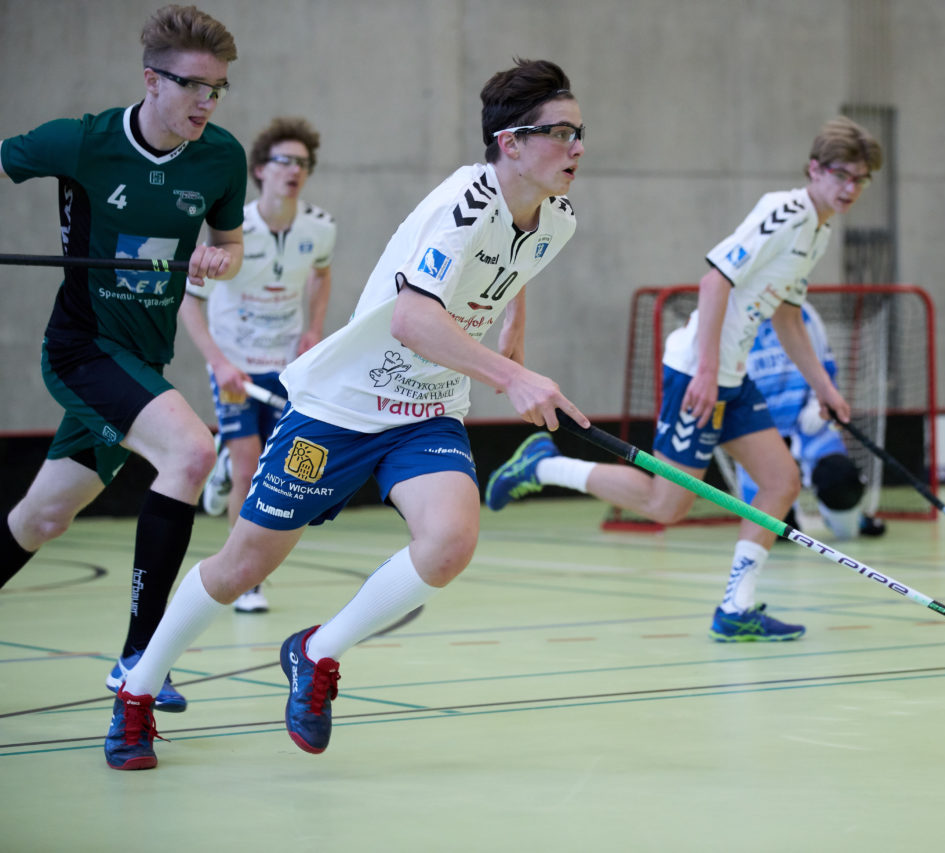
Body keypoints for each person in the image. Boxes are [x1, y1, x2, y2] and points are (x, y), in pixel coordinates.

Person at [103, 58, 588, 770]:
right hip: (338, 413)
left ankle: (315, 650)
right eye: (562, 132)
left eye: (582, 132)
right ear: (510, 143)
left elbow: (516, 267)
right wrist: (513, 374)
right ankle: (137, 690)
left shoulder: (560, 221)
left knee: (449, 541)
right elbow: (414, 322)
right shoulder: (461, 203)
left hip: (427, 412)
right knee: (242, 564)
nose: (578, 146)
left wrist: (512, 333)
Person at [487, 116, 882, 643]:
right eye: (843, 175)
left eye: (861, 179)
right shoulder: (784, 212)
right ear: (815, 169)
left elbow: (787, 315)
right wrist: (707, 370)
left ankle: (736, 607)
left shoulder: (819, 231)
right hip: (700, 370)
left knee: (781, 481)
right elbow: (715, 280)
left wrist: (825, 389)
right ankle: (546, 465)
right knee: (664, 504)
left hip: (730, 376)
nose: (851, 188)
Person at [0, 5, 244, 713]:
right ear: (152, 80)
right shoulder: (82, 143)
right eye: (195, 85)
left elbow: (230, 250)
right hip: (82, 350)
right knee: (193, 453)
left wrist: (216, 260)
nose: (207, 101)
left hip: (143, 360)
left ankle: (139, 655)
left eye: (218, 88)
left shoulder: (221, 156)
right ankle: (141, 657)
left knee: (42, 518)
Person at [180, 116, 336, 613]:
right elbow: (189, 300)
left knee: (282, 468)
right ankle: (246, 578)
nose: (295, 170)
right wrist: (219, 363)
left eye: (303, 163)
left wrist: (313, 327)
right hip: (236, 367)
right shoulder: (233, 232)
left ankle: (228, 463)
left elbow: (321, 275)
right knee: (248, 468)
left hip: (287, 367)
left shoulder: (320, 227)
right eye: (284, 161)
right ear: (261, 170)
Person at [734, 301, 887, 541]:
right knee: (773, 528)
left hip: (806, 419)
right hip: (756, 426)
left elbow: (825, 363)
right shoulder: (730, 316)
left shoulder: (803, 312)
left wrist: (818, 401)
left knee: (840, 477)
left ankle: (850, 520)